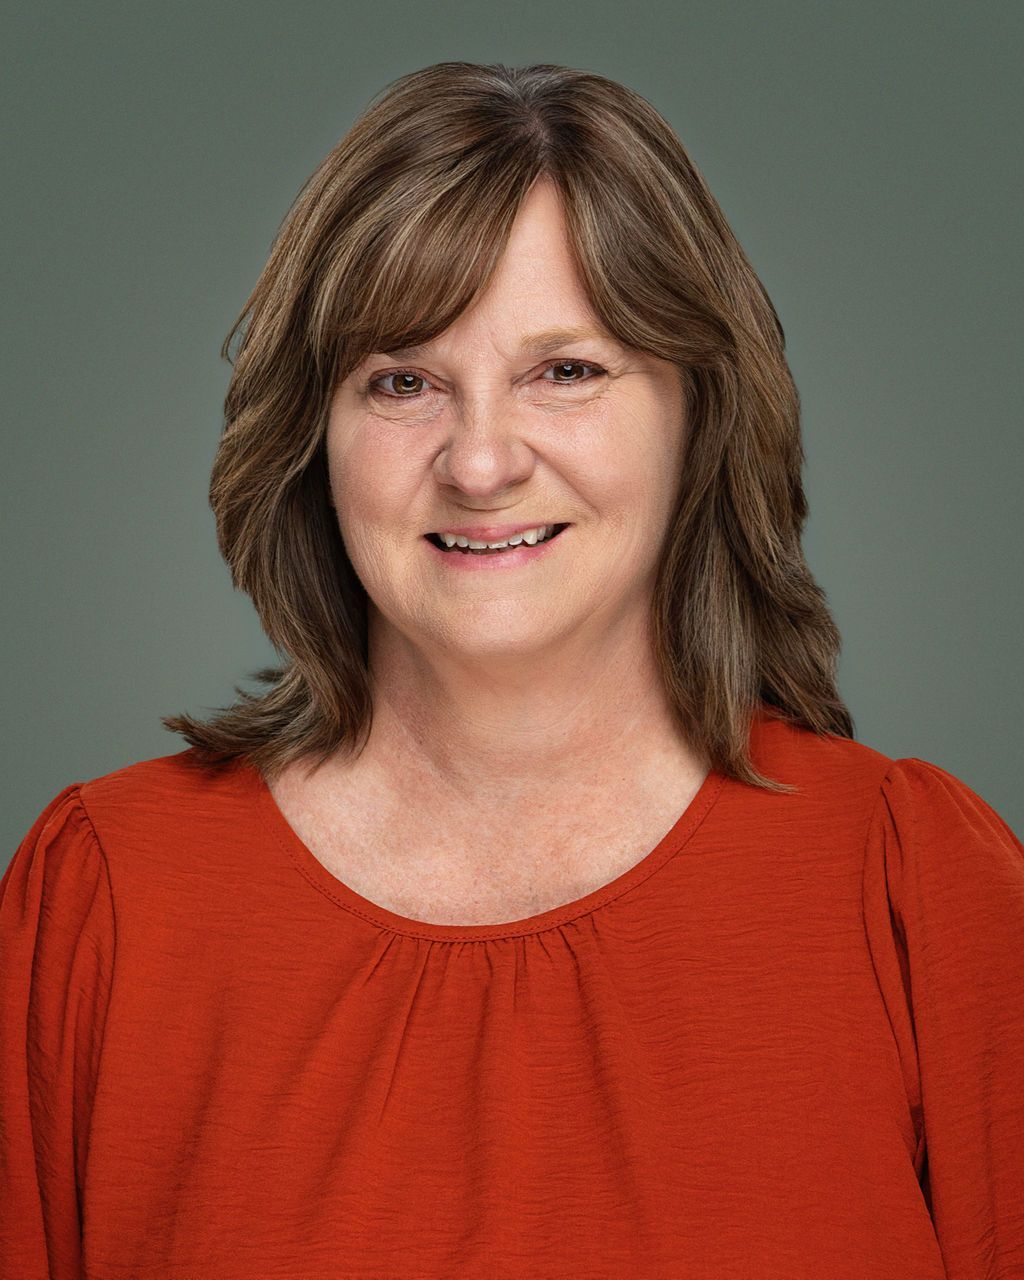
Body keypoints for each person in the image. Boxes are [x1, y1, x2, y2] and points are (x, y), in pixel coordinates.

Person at [2, 60, 1021, 1280]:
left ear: (700, 412)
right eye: (402, 381)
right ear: (308, 436)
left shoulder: (914, 887)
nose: (479, 462)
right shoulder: (107, 898)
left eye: (567, 370)